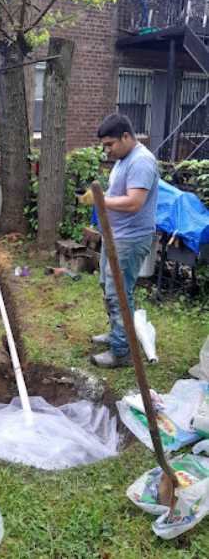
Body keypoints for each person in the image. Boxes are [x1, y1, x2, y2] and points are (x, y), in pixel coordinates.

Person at [77, 113, 159, 369]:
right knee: (108, 288)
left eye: (110, 144)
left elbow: (135, 202)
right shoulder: (125, 159)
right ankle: (117, 333)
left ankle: (122, 352)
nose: (107, 150)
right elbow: (117, 193)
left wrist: (97, 200)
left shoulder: (142, 162)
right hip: (116, 238)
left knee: (120, 295)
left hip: (130, 241)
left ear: (126, 136)